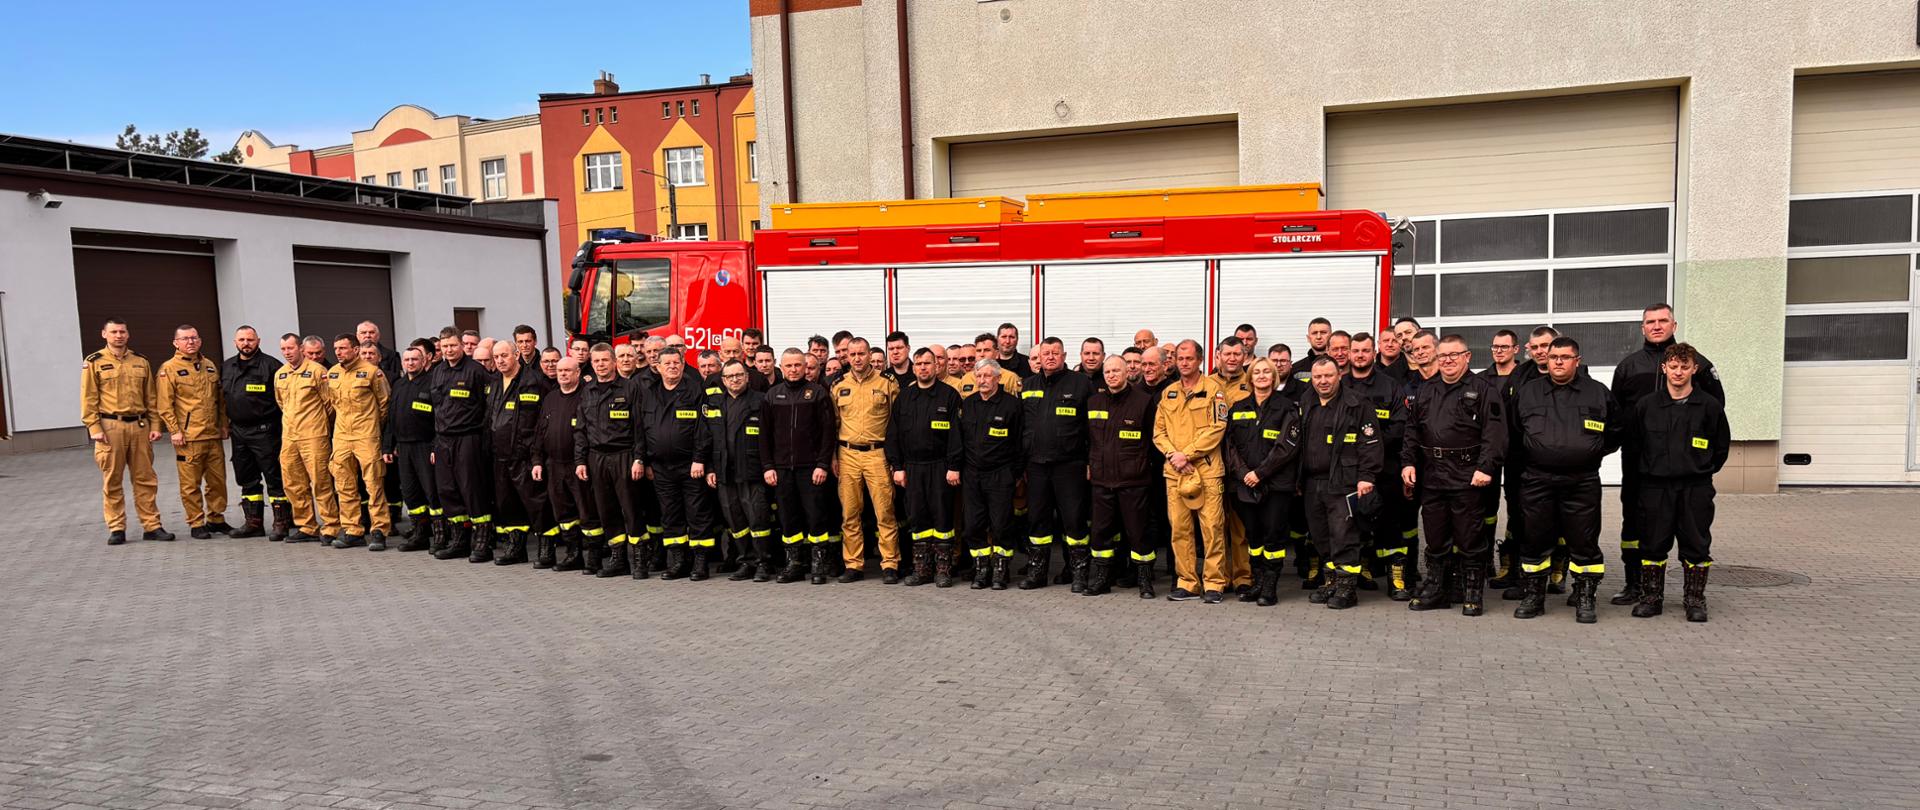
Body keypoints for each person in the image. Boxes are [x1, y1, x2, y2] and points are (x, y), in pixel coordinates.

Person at [1609, 304, 1724, 608]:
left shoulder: (1697, 362)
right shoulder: (1628, 367)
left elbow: (1716, 415)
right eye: (1650, 322)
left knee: (1693, 535)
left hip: (1689, 473)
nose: (1656, 326)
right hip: (1641, 469)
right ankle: (1636, 585)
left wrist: (1704, 465)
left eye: (1663, 321)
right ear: (1642, 327)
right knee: (1635, 527)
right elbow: (1617, 415)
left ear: (1674, 324)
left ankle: (1693, 599)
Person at [1510, 336, 1620, 623]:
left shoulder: (1597, 393)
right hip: (1537, 479)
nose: (1558, 361)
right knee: (1534, 540)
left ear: (1577, 361)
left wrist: (1590, 452)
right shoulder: (1528, 392)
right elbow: (1513, 432)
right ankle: (1534, 596)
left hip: (1581, 481)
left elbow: (1616, 432)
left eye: (1565, 357)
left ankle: (1585, 598)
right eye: (1553, 356)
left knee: (1584, 541)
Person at [1402, 335, 1507, 616]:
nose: (1447, 360)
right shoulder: (1426, 390)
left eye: (1454, 355)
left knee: (1469, 537)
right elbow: (1412, 430)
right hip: (1432, 475)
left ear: (1467, 356)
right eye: (1443, 355)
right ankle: (1438, 589)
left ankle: (1472, 592)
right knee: (1435, 537)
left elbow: (1494, 434)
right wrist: (1408, 463)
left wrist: (1485, 468)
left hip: (1467, 475)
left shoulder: (1484, 390)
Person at [1626, 343, 1729, 622]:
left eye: (1685, 367)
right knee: (1652, 544)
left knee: (1696, 545)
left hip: (1695, 487)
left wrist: (1699, 469)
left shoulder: (1709, 406)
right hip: (1655, 487)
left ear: (1694, 369)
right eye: (1673, 366)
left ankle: (1694, 600)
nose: (1679, 372)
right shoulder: (1646, 406)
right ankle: (1651, 598)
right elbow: (1634, 447)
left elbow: (1720, 448)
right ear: (1664, 368)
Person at [1297, 356, 1383, 609]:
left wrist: (1366, 477)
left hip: (1344, 481)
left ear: (1338, 375)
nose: (1323, 381)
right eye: (1317, 377)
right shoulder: (1306, 401)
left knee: (1344, 535)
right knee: (1321, 536)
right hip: (1313, 483)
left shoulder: (1357, 404)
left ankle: (1347, 589)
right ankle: (1332, 582)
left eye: (1328, 376)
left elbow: (1370, 443)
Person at [83, 319, 173, 544]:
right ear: (104, 334)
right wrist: (94, 427)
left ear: (128, 334)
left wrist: (155, 426)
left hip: (139, 426)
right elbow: (89, 398)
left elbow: (150, 398)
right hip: (110, 427)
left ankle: (152, 526)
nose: (118, 336)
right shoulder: (94, 362)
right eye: (113, 332)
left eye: (122, 331)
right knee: (112, 479)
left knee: (145, 479)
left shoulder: (140, 361)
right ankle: (117, 527)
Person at [1153, 339, 1230, 603]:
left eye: (1189, 358)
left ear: (1200, 360)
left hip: (1206, 471)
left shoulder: (1214, 391)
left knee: (1212, 529)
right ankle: (1187, 582)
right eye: (1180, 359)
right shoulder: (1169, 393)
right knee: (1180, 530)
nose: (1184, 363)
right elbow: (1158, 433)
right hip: (1175, 472)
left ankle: (1214, 584)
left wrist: (1188, 454)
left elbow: (1217, 429)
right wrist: (1174, 456)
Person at [1224, 357, 1302, 606]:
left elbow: (1287, 446)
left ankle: (1270, 586)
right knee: (1253, 536)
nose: (1261, 376)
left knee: (1273, 536)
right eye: (1256, 372)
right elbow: (1230, 445)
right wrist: (1243, 473)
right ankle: (1257, 582)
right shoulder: (1238, 407)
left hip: (1276, 485)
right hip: (1244, 484)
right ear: (1250, 378)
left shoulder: (1287, 407)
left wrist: (1260, 473)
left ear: (1274, 377)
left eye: (1266, 372)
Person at [1019, 337, 1095, 590]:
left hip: (1069, 465)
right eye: (1046, 353)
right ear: (1039, 357)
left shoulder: (1081, 384)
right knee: (1038, 520)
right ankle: (1037, 573)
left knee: (1073, 520)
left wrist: (1090, 461)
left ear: (1064, 356)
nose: (1050, 357)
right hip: (1037, 466)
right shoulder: (1027, 385)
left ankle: (1079, 574)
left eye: (1055, 353)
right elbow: (1022, 427)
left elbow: (1092, 428)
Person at [1342, 332, 1413, 600]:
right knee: (1354, 524)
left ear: (1374, 353)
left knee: (1391, 524)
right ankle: (1362, 571)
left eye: (1365, 350)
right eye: (1355, 350)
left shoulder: (1390, 386)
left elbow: (1401, 424)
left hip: (1386, 468)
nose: (1360, 355)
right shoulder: (1340, 386)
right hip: (1350, 470)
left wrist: (1372, 443)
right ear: (1348, 354)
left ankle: (1397, 581)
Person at [887, 348, 964, 587]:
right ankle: (922, 569)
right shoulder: (905, 397)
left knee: (942, 517)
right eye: (918, 363)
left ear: (936, 366)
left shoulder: (949, 395)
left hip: (940, 467)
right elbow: (893, 434)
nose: (923, 367)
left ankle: (943, 569)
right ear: (913, 367)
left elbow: (957, 435)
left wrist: (953, 466)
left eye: (927, 363)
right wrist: (897, 467)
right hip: (912, 468)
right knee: (917, 518)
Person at [761, 348, 837, 583]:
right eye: (789, 366)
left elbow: (828, 432)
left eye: (797, 365)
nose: (793, 370)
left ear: (806, 367)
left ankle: (818, 565)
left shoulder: (817, 394)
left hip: (811, 468)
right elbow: (764, 436)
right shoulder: (772, 396)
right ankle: (794, 563)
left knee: (816, 516)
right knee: (788, 517)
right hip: (782, 469)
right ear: (781, 368)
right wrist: (768, 466)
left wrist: (823, 464)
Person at [1086, 355, 1159, 597]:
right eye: (1107, 372)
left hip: (1134, 480)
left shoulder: (1144, 402)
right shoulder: (1093, 402)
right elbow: (1088, 440)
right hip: (1101, 480)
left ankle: (1145, 580)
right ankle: (1101, 579)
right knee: (1101, 533)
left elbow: (1154, 440)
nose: (1111, 375)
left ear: (1128, 372)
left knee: (1138, 533)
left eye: (1116, 371)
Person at [643, 348, 718, 580]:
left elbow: (704, 430)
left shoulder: (695, 391)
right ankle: (678, 562)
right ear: (658, 367)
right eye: (667, 363)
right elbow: (641, 429)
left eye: (677, 362)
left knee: (697, 514)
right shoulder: (649, 393)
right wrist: (643, 460)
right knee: (670, 515)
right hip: (661, 467)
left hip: (690, 466)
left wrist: (699, 459)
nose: (672, 367)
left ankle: (700, 563)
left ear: (684, 365)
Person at [830, 337, 901, 582]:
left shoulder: (887, 383)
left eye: (862, 353)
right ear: (846, 357)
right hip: (847, 454)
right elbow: (833, 424)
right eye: (853, 354)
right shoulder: (838, 385)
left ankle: (890, 563)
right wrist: (833, 457)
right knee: (850, 513)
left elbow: (896, 423)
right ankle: (854, 564)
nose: (858, 358)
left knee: (885, 512)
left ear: (870, 355)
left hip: (877, 454)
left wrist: (895, 459)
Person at [576, 344, 646, 578]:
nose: (600, 365)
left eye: (605, 360)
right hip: (597, 457)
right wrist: (580, 461)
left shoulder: (630, 388)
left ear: (614, 362)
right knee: (607, 510)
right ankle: (618, 558)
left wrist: (639, 459)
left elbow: (640, 428)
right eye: (596, 361)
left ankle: (639, 560)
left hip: (623, 455)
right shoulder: (587, 391)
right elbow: (581, 430)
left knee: (632, 509)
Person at [155, 325, 231, 538]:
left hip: (212, 435)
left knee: (218, 481)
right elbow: (164, 404)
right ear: (175, 343)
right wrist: (174, 430)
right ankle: (196, 522)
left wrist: (223, 424)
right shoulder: (168, 369)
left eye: (194, 338)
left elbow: (220, 401)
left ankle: (216, 518)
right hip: (189, 437)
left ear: (200, 340)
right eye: (185, 339)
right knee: (190, 484)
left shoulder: (209, 366)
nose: (190, 342)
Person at [706, 359, 775, 581]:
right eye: (729, 376)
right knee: (735, 521)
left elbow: (771, 438)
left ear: (747, 376)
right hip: (725, 472)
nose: (734, 379)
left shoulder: (761, 401)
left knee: (758, 519)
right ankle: (746, 561)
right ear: (723, 380)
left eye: (739, 375)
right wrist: (709, 468)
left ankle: (764, 563)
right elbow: (707, 439)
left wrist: (769, 467)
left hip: (752, 471)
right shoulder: (715, 404)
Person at [958, 359, 1024, 589]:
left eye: (987, 376)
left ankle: (1000, 570)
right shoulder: (969, 404)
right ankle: (982, 567)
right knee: (974, 525)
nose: (982, 380)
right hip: (972, 474)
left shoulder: (1011, 406)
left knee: (1001, 524)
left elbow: (1019, 442)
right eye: (979, 376)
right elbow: (960, 440)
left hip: (1000, 474)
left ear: (998, 378)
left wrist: (1014, 474)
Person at [484, 341, 551, 565]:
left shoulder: (534, 382)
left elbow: (542, 422)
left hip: (525, 456)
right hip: (500, 456)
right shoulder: (493, 383)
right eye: (496, 357)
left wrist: (536, 455)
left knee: (536, 503)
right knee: (507, 503)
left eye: (505, 355)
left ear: (516, 355)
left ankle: (546, 547)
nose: (500, 360)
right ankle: (516, 547)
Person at [430, 328, 493, 561]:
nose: (449, 350)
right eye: (445, 346)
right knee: (448, 490)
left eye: (453, 346)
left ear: (461, 346)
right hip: (444, 440)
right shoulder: (438, 372)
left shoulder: (476, 371)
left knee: (472, 489)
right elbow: (437, 410)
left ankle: (482, 542)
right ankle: (459, 540)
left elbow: (489, 407)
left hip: (469, 438)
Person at [324, 337, 392, 549]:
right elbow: (332, 404)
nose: (338, 352)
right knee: (344, 485)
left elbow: (384, 405)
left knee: (373, 484)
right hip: (342, 436)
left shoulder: (372, 372)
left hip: (366, 435)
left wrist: (373, 429)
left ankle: (379, 529)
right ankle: (352, 529)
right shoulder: (333, 372)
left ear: (355, 349)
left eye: (343, 348)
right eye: (336, 349)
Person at [222, 326, 285, 539]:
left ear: (258, 340)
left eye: (250, 339)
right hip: (239, 432)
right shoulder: (227, 366)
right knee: (246, 478)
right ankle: (253, 523)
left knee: (274, 477)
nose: (246, 343)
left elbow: (282, 400)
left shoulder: (271, 366)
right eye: (242, 339)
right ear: (235, 341)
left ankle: (281, 523)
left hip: (265, 431)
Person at [531, 356, 593, 571]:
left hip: (578, 464)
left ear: (578, 372)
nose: (563, 374)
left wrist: (582, 460)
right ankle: (572, 554)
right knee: (563, 513)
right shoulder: (550, 398)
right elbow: (540, 432)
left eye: (568, 370)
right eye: (560, 371)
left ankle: (593, 557)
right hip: (554, 465)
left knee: (587, 511)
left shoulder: (586, 396)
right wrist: (537, 460)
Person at [276, 335, 336, 544]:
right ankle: (307, 525)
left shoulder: (318, 372)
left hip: (314, 435)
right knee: (293, 482)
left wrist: (315, 423)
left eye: (290, 348)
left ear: (300, 348)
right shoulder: (281, 374)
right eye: (283, 349)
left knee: (320, 481)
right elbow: (281, 403)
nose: (287, 352)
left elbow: (329, 403)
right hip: (290, 436)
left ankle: (331, 525)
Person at [383, 342, 438, 552]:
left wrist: (435, 447)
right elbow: (391, 418)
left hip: (425, 445)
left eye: (414, 359)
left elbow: (438, 419)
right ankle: (419, 534)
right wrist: (388, 447)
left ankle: (440, 535)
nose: (410, 363)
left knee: (431, 491)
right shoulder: (399, 384)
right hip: (403, 448)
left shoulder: (432, 384)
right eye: (406, 360)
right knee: (410, 492)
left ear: (424, 361)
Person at [1209, 337, 1255, 594]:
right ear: (1218, 355)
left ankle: (1242, 577)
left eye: (1238, 354)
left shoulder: (1250, 384)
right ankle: (1219, 576)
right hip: (1212, 463)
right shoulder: (1207, 383)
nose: (1232, 358)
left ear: (1244, 356)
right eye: (1227, 353)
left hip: (1240, 466)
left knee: (1240, 526)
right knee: (1215, 525)